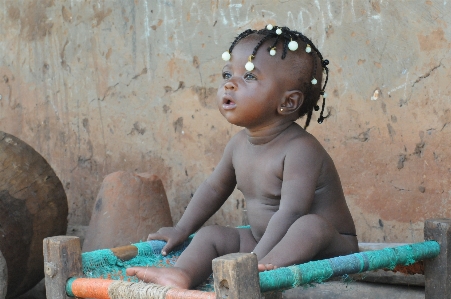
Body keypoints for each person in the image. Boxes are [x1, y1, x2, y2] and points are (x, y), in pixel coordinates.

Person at [126, 25, 358, 289]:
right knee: (211, 234)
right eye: (228, 74)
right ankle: (182, 274)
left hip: (328, 246)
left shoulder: (301, 150)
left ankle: (259, 272)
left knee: (310, 225)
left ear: (288, 102)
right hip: (264, 244)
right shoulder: (238, 145)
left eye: (248, 77)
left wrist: (252, 259)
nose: (229, 83)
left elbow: (292, 213)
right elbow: (213, 188)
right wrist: (182, 228)